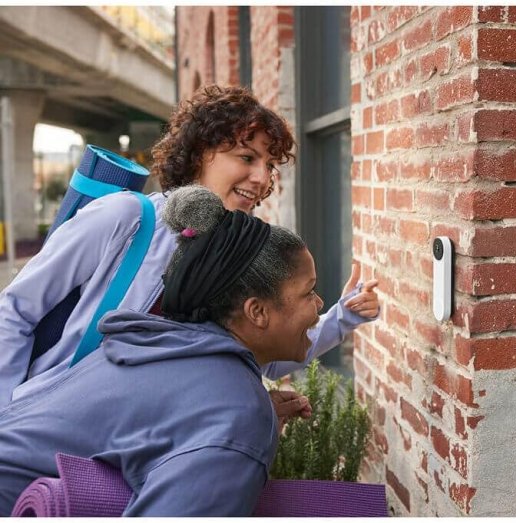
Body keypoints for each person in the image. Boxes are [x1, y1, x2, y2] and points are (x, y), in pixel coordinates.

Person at [0, 85, 379, 407]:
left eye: (270, 165)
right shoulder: (126, 218)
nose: (263, 179)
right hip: (52, 424)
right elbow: (17, 310)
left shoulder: (236, 257)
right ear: (200, 154)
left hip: (138, 448)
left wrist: (342, 318)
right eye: (247, 157)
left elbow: (263, 354)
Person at [0, 186, 331, 516]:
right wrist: (240, 432)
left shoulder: (160, 343)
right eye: (309, 292)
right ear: (257, 312)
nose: (320, 306)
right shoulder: (235, 412)